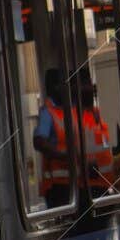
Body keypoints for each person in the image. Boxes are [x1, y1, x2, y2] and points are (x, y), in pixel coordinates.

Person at [33, 67, 73, 209]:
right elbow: (39, 141)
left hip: (72, 181)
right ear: (55, 87)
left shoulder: (67, 109)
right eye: (63, 84)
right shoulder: (47, 112)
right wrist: (63, 156)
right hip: (57, 186)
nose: (67, 88)